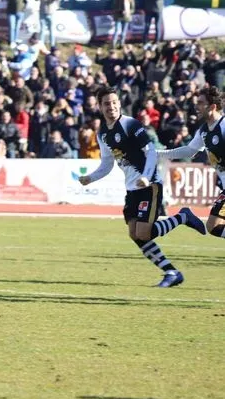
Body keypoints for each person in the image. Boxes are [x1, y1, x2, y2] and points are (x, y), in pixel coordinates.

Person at [78, 87, 206, 288]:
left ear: (119, 103)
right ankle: (171, 272)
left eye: (113, 102)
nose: (111, 106)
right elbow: (107, 164)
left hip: (150, 184)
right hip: (132, 189)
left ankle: (183, 216)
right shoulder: (102, 133)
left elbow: (151, 152)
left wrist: (146, 177)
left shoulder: (130, 124)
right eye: (106, 103)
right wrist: (90, 178)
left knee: (144, 232)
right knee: (134, 233)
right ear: (100, 107)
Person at [157, 85, 225, 237]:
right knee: (214, 226)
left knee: (213, 226)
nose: (196, 106)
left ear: (213, 106)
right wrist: (158, 154)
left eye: (200, 103)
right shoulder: (204, 130)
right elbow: (188, 150)